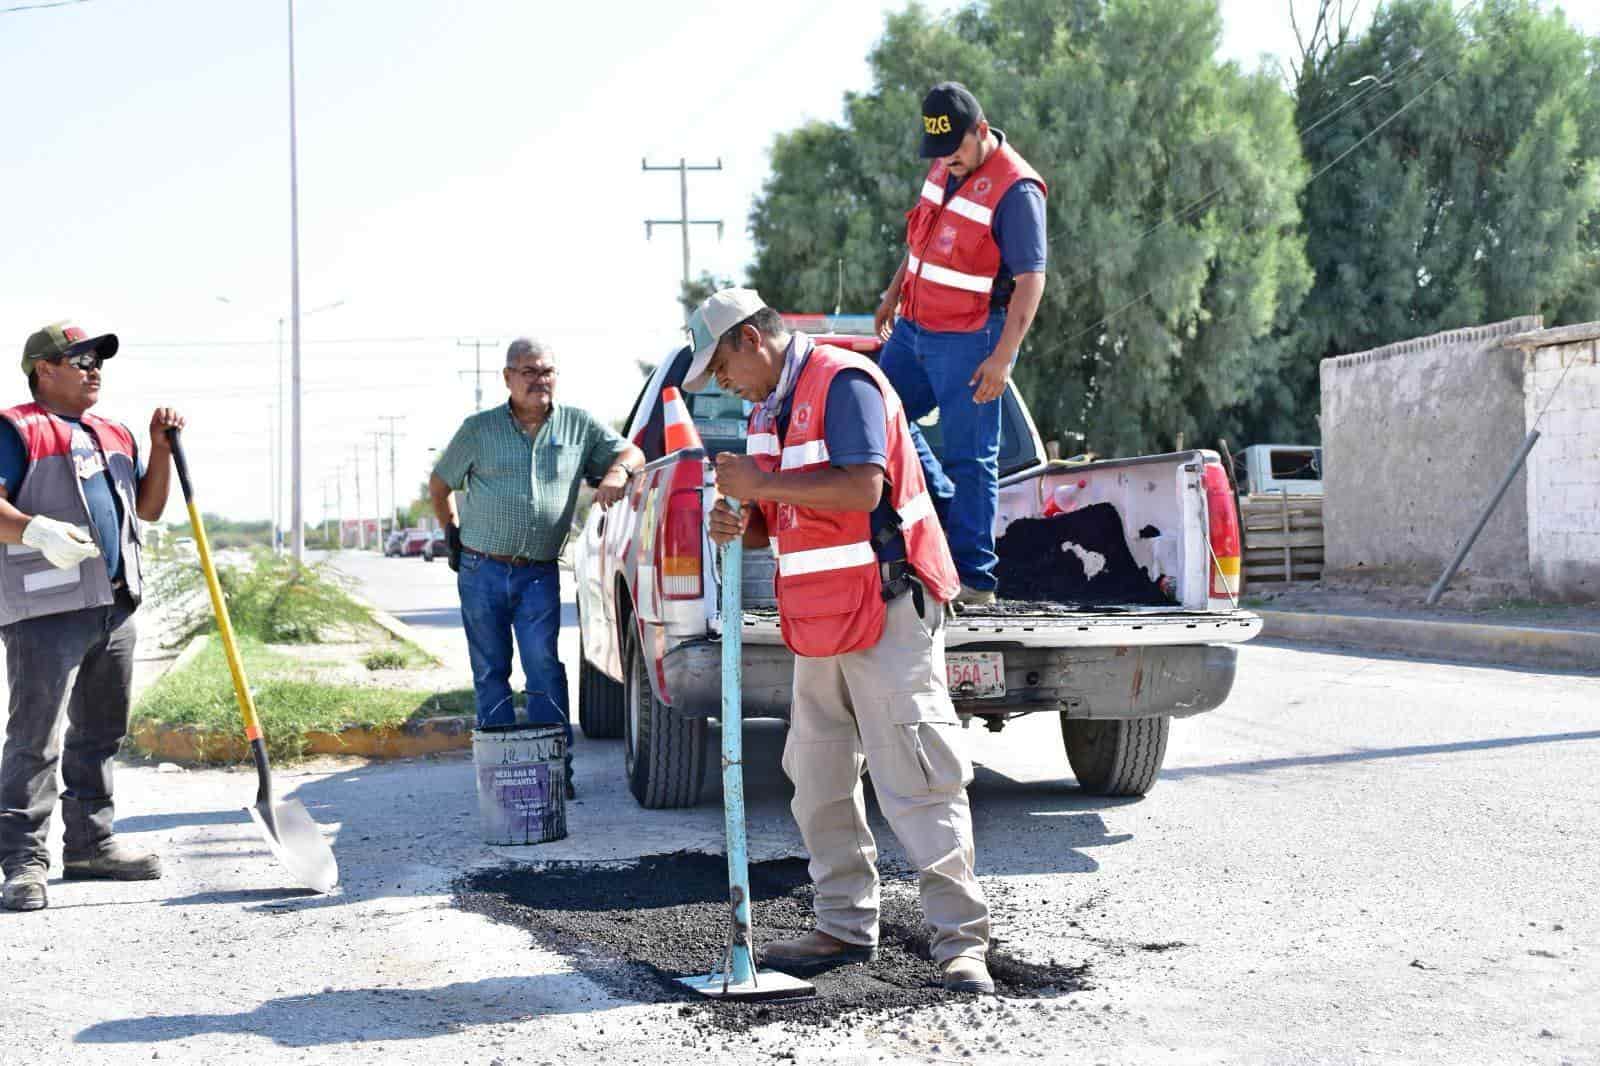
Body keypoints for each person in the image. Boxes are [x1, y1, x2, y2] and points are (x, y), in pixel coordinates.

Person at [690, 288, 995, 995]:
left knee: (918, 778)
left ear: (748, 341)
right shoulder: (765, 410)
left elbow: (861, 489)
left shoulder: (842, 381)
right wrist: (744, 522)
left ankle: (961, 942)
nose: (723, 384)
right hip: (820, 619)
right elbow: (785, 514)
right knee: (818, 778)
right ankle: (844, 924)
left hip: (886, 607)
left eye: (722, 368)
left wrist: (760, 479)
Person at [0, 322, 184, 912]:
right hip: (45, 609)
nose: (92, 368)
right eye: (77, 359)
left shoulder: (114, 432)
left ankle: (90, 845)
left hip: (114, 604)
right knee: (35, 740)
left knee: (101, 734)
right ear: (42, 369)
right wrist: (33, 528)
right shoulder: (16, 427)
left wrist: (158, 446)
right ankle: (23, 864)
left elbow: (149, 508)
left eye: (97, 360)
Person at [429, 337, 643, 796]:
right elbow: (440, 482)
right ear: (507, 378)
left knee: (543, 667)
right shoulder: (478, 430)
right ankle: (501, 778)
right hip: (481, 569)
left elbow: (632, 453)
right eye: (527, 371)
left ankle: (552, 773)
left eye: (545, 371)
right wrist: (451, 534)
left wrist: (615, 473)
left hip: (539, 573)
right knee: (490, 671)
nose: (537, 380)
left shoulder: (578, 426)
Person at [874, 81, 1048, 607]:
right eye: (939, 154)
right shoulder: (943, 164)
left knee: (973, 459)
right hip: (913, 330)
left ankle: (975, 579)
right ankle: (943, 505)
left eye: (955, 151)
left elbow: (1031, 281)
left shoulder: (1017, 189)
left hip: (972, 340)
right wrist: (893, 292)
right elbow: (922, 240)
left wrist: (1003, 359)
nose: (946, 162)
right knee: (879, 412)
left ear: (980, 129)